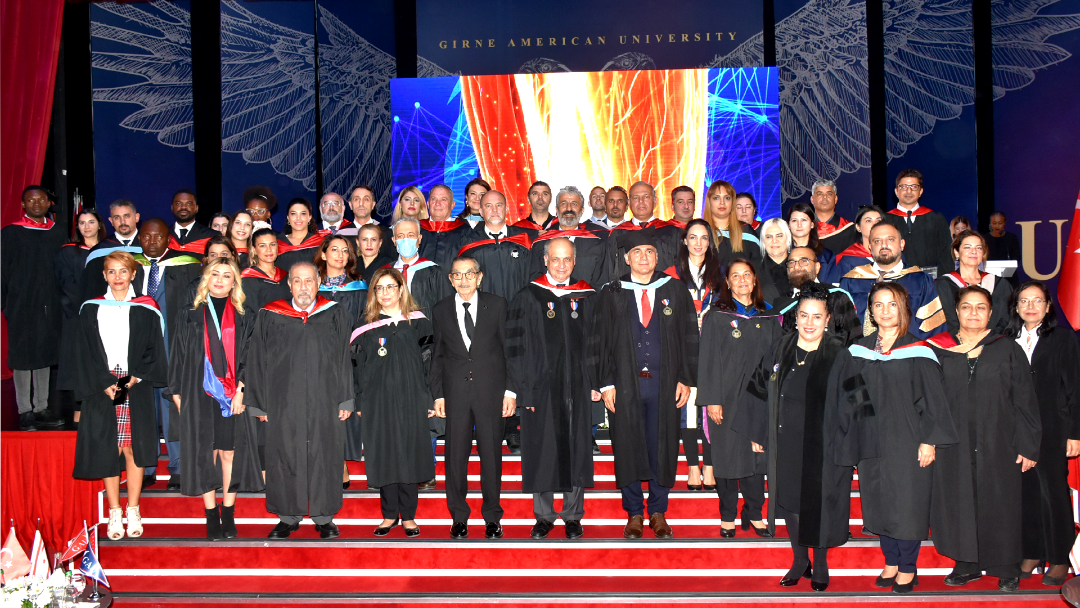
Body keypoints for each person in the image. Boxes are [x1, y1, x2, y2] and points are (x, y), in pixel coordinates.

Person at [732, 284, 857, 591]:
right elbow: (758, 389)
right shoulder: (781, 348)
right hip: (784, 439)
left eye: (817, 316)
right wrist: (758, 432)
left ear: (827, 319)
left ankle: (821, 563)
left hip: (824, 443)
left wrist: (847, 445)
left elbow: (855, 402)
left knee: (820, 503)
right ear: (796, 316)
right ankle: (800, 560)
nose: (809, 323)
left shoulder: (839, 354)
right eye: (804, 315)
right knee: (790, 500)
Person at [841, 282, 958, 593]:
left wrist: (929, 440)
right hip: (871, 439)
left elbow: (933, 400)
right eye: (878, 305)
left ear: (904, 308)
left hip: (908, 439)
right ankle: (890, 561)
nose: (885, 311)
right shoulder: (859, 350)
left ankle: (908, 566)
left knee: (907, 503)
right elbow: (852, 397)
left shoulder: (918, 350)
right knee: (878, 500)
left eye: (892, 304)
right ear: (870, 311)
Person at [927, 286, 1041, 591]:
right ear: (957, 311)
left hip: (1000, 442)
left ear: (990, 313)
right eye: (966, 307)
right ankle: (968, 563)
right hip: (955, 444)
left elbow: (1025, 400)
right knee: (960, 501)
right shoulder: (940, 349)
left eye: (981, 307)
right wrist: (930, 439)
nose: (973, 313)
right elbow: (930, 399)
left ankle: (1006, 565)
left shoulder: (1007, 348)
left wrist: (1029, 445)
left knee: (1001, 502)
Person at [592, 229, 698, 540]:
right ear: (626, 258)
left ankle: (658, 511)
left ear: (657, 257)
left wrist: (686, 378)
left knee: (662, 444)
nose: (643, 257)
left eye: (649, 252)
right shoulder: (611, 292)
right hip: (624, 383)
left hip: (666, 384)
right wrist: (606, 383)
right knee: (627, 445)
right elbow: (599, 340)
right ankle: (634, 513)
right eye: (636, 252)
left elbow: (689, 336)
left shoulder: (675, 290)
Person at [244, 262, 355, 539]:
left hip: (325, 398)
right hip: (282, 399)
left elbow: (345, 357)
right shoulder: (270, 314)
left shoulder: (334, 313)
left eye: (309, 281)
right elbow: (257, 358)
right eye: (297, 281)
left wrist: (346, 399)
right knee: (284, 454)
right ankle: (287, 516)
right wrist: (259, 403)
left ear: (318, 283)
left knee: (324, 454)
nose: (303, 287)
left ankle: (324, 516)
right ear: (289, 284)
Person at [506, 238, 599, 540]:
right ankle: (544, 516)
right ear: (545, 260)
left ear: (575, 261)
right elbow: (516, 349)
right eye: (555, 259)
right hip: (540, 389)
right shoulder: (528, 296)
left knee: (577, 448)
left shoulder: (586, 296)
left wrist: (595, 382)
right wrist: (524, 391)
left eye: (567, 259)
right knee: (542, 449)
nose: (561, 265)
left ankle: (573, 516)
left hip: (578, 387)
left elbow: (597, 344)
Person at [73, 251, 167, 540]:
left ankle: (133, 508)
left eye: (123, 271)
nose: (117, 277)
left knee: (133, 448)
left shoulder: (146, 308)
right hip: (103, 385)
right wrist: (104, 382)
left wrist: (134, 377)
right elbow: (83, 351)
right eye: (112, 271)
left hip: (133, 383)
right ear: (104, 275)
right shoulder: (91, 308)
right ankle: (114, 510)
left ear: (133, 274)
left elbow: (154, 348)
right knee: (109, 448)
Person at [169, 258, 262, 540]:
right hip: (197, 393)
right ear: (206, 279)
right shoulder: (189, 313)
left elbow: (252, 355)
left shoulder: (245, 314)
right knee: (205, 452)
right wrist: (178, 396)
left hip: (233, 394)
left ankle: (228, 511)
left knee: (230, 452)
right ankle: (211, 513)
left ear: (235, 282)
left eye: (226, 276)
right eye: (215, 274)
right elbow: (177, 356)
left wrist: (242, 389)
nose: (220, 280)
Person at [431, 257, 515, 539]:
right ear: (450, 279)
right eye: (458, 275)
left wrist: (510, 391)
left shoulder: (498, 305)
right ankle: (459, 517)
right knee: (455, 457)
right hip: (455, 393)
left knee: (491, 455)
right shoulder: (441, 309)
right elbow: (438, 355)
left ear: (480, 277)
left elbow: (509, 351)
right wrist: (438, 394)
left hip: (491, 391)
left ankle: (492, 516)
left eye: (470, 274)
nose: (464, 280)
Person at [698, 260, 781, 538]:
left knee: (756, 459)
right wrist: (712, 399)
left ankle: (755, 512)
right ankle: (728, 515)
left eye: (747, 275)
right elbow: (708, 359)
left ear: (755, 280)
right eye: (736, 276)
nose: (742, 280)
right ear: (728, 283)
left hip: (759, 399)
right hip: (726, 399)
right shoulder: (717, 315)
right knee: (727, 457)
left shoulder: (769, 316)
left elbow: (777, 359)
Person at [351, 268, 436, 538]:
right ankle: (389, 515)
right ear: (373, 293)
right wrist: (359, 400)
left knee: (410, 453)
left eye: (390, 287)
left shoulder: (419, 322)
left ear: (401, 290)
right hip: (378, 400)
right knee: (385, 454)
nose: (385, 293)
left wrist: (430, 397)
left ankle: (408, 516)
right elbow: (356, 367)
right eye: (380, 288)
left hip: (413, 398)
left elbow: (431, 363)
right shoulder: (364, 327)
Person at [1006, 282, 1080, 586]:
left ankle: (1060, 557)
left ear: (1048, 306)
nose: (1030, 306)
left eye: (1037, 301)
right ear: (1016, 307)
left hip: (1053, 428)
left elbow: (1075, 386)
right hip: (1016, 430)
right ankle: (1032, 552)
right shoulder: (1006, 339)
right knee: (1025, 493)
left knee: (1054, 493)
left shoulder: (1062, 338)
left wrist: (1075, 432)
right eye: (1024, 301)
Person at [135, 218, 205, 490]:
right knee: (144, 407)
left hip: (172, 345)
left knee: (173, 406)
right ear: (140, 238)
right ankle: (146, 466)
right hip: (139, 348)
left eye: (158, 237)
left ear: (168, 239)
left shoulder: (187, 265)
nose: (152, 242)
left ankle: (177, 466)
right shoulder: (130, 266)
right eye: (146, 237)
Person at [663, 220, 724, 492]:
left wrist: (710, 319)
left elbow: (729, 307)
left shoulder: (721, 274)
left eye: (704, 238)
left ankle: (709, 464)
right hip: (682, 347)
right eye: (693, 237)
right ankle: (692, 465)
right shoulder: (669, 274)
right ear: (684, 241)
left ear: (710, 243)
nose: (698, 243)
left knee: (711, 402)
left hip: (713, 348)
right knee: (687, 406)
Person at [2, 186, 67, 430]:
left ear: (49, 203)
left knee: (44, 354)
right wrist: (6, 303)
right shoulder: (11, 233)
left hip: (50, 303)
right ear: (23, 205)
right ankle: (25, 411)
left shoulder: (57, 233)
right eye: (31, 200)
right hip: (20, 304)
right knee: (23, 356)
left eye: (41, 199)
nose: (37, 203)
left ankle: (41, 407)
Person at [840, 222, 945, 340]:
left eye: (890, 239)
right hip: (859, 349)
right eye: (877, 241)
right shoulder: (851, 281)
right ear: (870, 247)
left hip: (909, 349)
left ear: (902, 244)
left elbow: (933, 328)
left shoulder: (921, 281)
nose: (884, 245)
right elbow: (841, 327)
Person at [56, 210, 106, 426]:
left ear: (100, 224)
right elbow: (66, 283)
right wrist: (86, 307)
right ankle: (78, 410)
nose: (87, 226)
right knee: (77, 363)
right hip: (77, 315)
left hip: (105, 313)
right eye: (82, 223)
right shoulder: (68, 252)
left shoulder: (108, 249)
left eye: (91, 222)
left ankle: (103, 406)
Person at [529, 186, 614, 287]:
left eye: (574, 204)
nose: (569, 209)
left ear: (582, 210)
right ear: (557, 210)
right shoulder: (541, 243)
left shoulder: (597, 244)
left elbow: (602, 283)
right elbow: (534, 281)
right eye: (564, 203)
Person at [775, 247, 862, 346]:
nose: (797, 266)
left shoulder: (837, 296)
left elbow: (854, 338)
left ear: (817, 267)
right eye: (792, 262)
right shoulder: (782, 304)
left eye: (804, 261)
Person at [936, 230, 1011, 334]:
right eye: (967, 247)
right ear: (957, 252)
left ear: (983, 253)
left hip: (995, 340)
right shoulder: (943, 285)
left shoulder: (1000, 285)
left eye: (978, 248)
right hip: (956, 341)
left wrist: (990, 338)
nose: (974, 251)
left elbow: (1006, 318)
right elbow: (946, 320)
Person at [881, 169, 954, 274]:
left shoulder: (935, 219)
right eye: (903, 187)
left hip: (930, 278)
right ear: (896, 191)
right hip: (895, 278)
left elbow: (946, 253)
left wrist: (944, 279)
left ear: (920, 191)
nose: (908, 191)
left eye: (914, 187)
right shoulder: (885, 220)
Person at [610, 182, 682, 277]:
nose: (641, 201)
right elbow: (610, 269)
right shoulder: (617, 233)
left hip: (666, 286)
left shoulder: (673, 232)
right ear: (629, 202)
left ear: (655, 200)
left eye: (646, 197)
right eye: (636, 197)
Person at [388, 217, 446, 316]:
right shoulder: (386, 272)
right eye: (400, 236)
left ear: (419, 239)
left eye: (411, 235)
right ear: (394, 240)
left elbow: (444, 309)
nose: (406, 240)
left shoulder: (434, 272)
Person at [315, 235, 368, 329]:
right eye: (335, 250)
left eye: (345, 251)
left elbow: (364, 322)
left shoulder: (359, 287)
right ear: (323, 255)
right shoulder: (314, 287)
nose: (340, 255)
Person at [702, 180, 761, 265]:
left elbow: (758, 267)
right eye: (716, 198)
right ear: (709, 202)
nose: (722, 202)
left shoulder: (746, 231)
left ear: (733, 202)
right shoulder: (700, 232)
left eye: (727, 198)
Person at [419, 184, 469, 273]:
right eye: (433, 199)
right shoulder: (417, 229)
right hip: (420, 281)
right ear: (428, 203)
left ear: (452, 205)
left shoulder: (465, 231)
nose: (437, 203)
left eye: (443, 199)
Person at [787, 202, 839, 284]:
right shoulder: (783, 253)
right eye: (794, 220)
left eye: (804, 220)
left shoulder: (826, 256)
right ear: (789, 225)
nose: (799, 225)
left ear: (812, 224)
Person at [240, 228, 289, 310]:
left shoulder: (286, 276)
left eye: (272, 244)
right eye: (262, 246)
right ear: (254, 250)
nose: (269, 250)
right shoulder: (247, 279)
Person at [347, 184, 395, 258]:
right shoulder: (342, 234)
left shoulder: (387, 233)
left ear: (373, 205)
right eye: (356, 199)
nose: (361, 204)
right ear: (350, 205)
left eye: (366, 199)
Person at [276, 198, 325, 271]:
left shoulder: (320, 243)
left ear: (309, 217)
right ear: (288, 218)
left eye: (303, 213)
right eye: (293, 214)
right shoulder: (277, 243)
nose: (298, 218)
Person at [809, 180, 855, 254]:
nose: (824, 197)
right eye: (819, 194)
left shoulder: (849, 229)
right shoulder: (803, 228)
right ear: (812, 199)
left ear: (836, 199)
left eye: (829, 194)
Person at [836, 205, 883, 276]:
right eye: (868, 221)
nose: (875, 225)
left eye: (878, 221)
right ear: (858, 227)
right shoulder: (848, 261)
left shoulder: (892, 254)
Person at [986, 212, 1022, 288]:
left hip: (1009, 277)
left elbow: (1016, 256)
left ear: (1004, 223)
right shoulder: (984, 238)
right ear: (990, 223)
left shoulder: (1012, 238)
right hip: (989, 277)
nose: (997, 226)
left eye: (1000, 223)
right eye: (994, 223)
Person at [759, 218, 793, 298]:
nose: (774, 241)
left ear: (788, 238)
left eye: (779, 236)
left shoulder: (801, 266)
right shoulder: (754, 270)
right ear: (763, 241)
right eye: (769, 237)